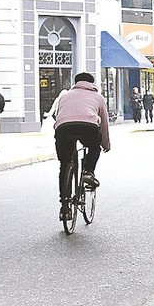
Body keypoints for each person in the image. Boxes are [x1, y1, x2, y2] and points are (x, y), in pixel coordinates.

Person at [49, 71, 111, 218]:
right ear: (92, 83)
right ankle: (88, 172)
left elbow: (57, 115)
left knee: (64, 165)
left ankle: (64, 207)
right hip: (88, 126)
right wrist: (105, 144)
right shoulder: (98, 97)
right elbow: (104, 123)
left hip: (63, 128)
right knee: (94, 146)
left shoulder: (65, 96)